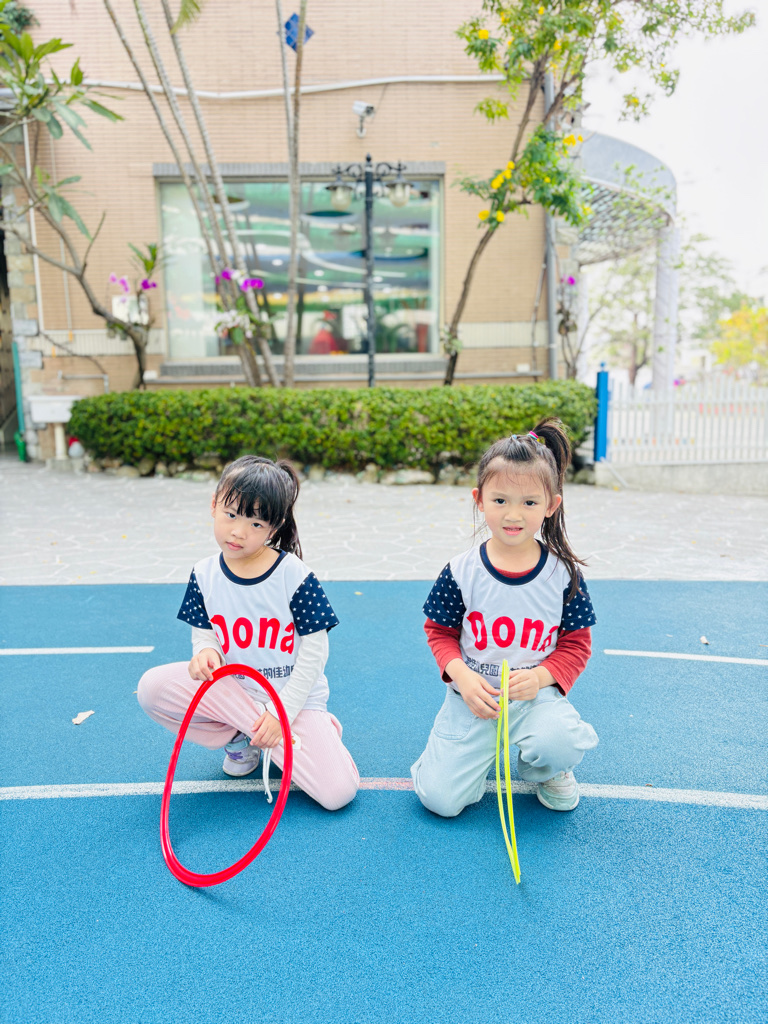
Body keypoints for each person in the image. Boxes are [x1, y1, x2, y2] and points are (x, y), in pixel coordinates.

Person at [137, 455, 359, 811]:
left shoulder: (294, 575)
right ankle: (244, 736)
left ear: (275, 526)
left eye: (256, 523)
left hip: (292, 699)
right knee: (152, 688)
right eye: (231, 515)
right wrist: (205, 652)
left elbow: (315, 653)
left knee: (338, 794)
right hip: (235, 694)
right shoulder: (203, 573)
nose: (238, 532)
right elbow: (204, 632)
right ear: (214, 504)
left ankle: (304, 732)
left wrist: (281, 714)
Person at [411, 419, 598, 816]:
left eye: (529, 503)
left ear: (551, 506)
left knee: (560, 741)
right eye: (500, 500)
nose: (514, 514)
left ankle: (546, 768)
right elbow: (439, 632)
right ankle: (451, 760)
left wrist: (541, 677)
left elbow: (577, 645)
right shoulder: (461, 571)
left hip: (535, 698)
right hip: (475, 697)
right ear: (479, 499)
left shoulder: (563, 574)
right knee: (440, 800)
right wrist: (462, 677)